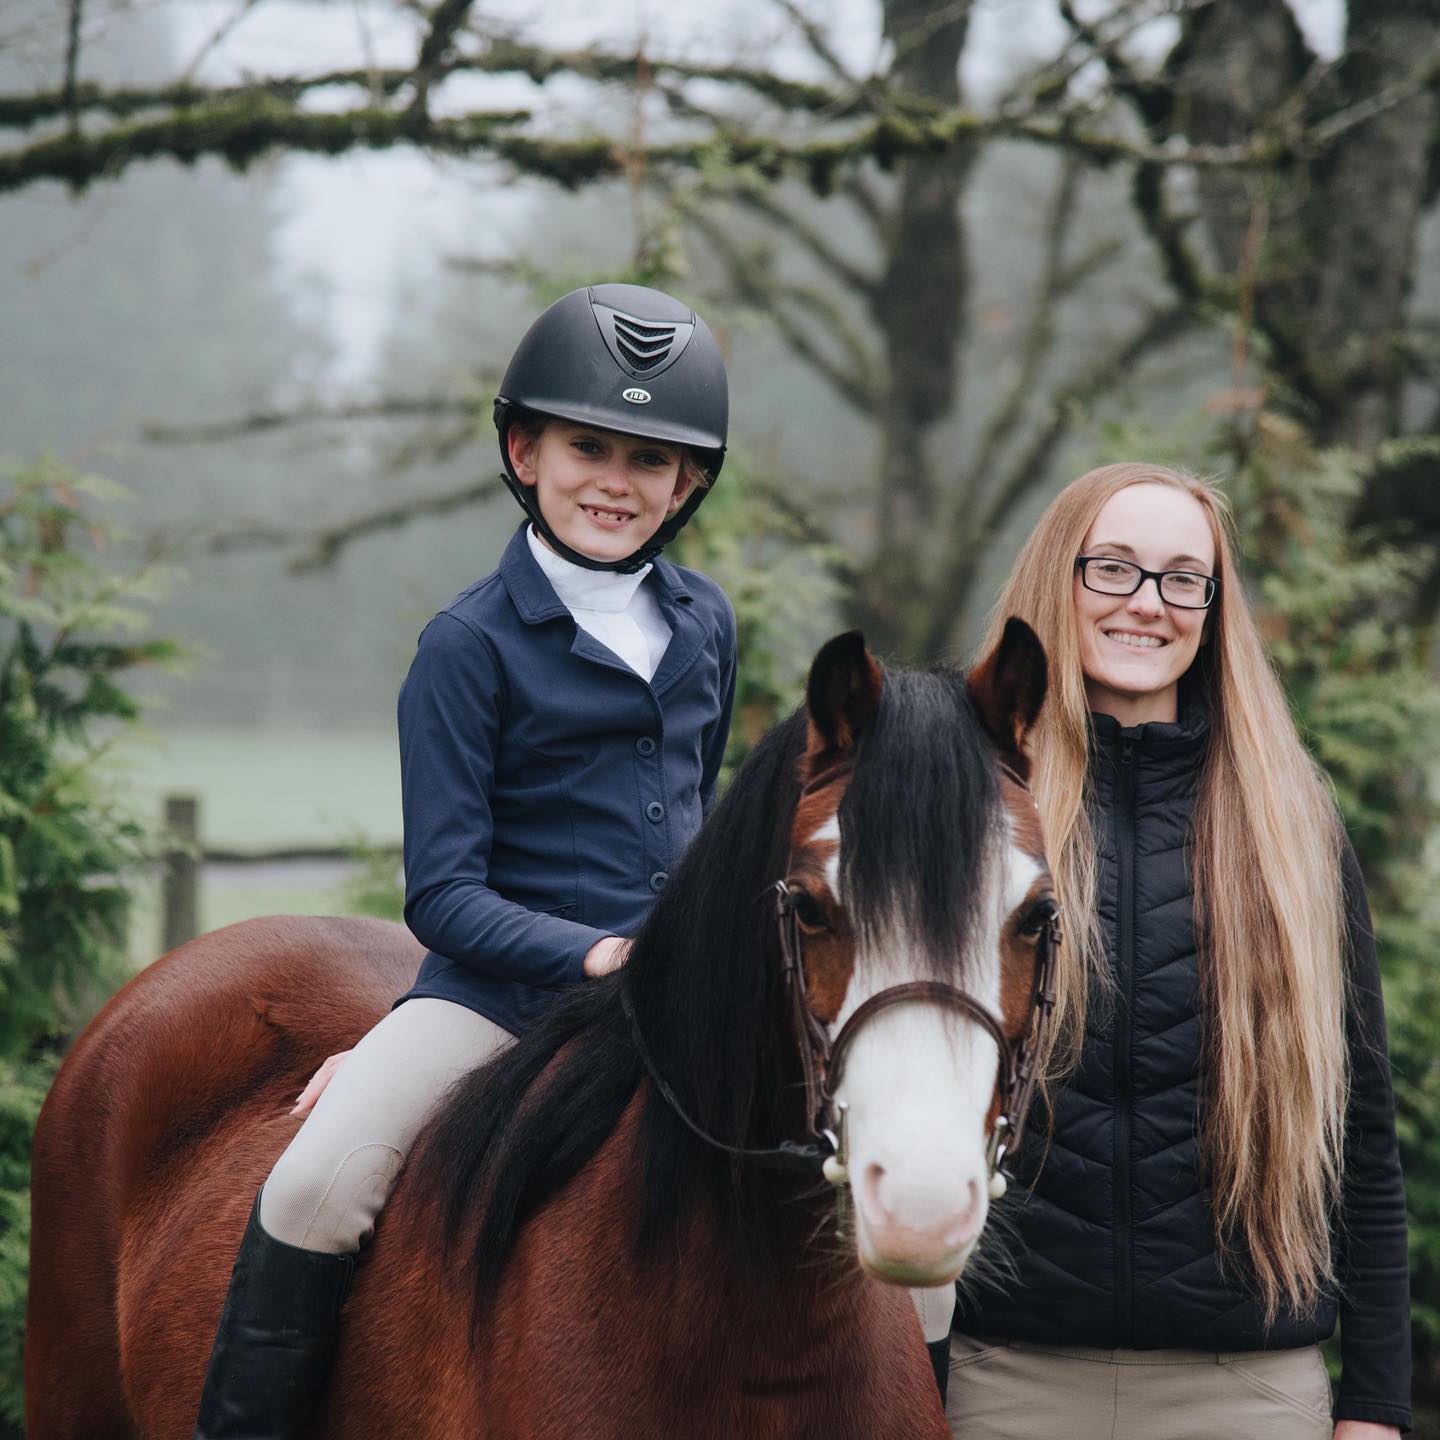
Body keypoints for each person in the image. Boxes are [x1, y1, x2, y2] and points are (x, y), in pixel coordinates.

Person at [192, 283, 737, 1440]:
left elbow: (693, 824)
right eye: (587, 446)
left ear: (688, 483)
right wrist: (595, 954)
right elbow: (442, 895)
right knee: (315, 1188)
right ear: (523, 450)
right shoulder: (467, 645)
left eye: (649, 459)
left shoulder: (706, 627)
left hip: (674, 1002)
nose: (614, 480)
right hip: (495, 1002)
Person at [944, 464, 1410, 1440]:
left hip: (1246, 1389)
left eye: (1182, 578)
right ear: (1055, 581)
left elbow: (1361, 1135)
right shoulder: (974, 809)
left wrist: (1374, 1406)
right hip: (1007, 1379)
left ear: (1213, 604)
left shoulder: (1293, 828)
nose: (1148, 604)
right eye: (1113, 568)